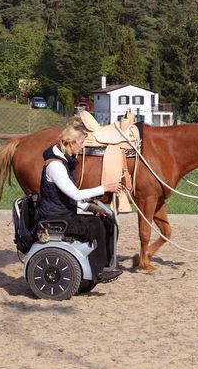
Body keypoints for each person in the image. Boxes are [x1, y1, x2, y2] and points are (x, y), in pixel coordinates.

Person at [36, 119, 123, 283]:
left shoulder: (63, 161)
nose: (82, 147)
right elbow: (75, 195)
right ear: (71, 143)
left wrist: (91, 207)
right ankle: (97, 271)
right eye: (81, 143)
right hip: (54, 217)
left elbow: (69, 196)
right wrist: (104, 188)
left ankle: (105, 266)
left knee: (106, 221)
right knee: (95, 226)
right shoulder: (56, 166)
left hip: (62, 212)